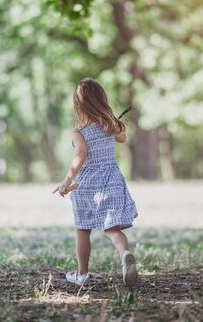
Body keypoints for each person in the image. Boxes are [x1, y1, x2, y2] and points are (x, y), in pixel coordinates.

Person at [54, 78, 139, 288]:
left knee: (83, 229)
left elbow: (80, 156)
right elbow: (122, 138)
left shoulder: (79, 132)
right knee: (112, 230)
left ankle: (82, 273)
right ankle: (124, 254)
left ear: (78, 105)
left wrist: (67, 179)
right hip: (112, 183)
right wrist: (113, 122)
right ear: (102, 101)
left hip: (87, 187)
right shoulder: (110, 126)